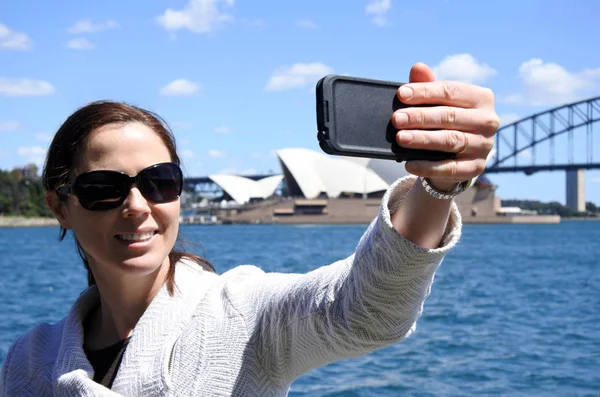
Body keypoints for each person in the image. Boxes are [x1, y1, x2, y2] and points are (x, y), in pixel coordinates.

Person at [0, 63, 499, 396]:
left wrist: (437, 186)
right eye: (104, 188)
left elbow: (364, 310)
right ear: (60, 207)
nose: (137, 206)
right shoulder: (29, 360)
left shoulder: (240, 312)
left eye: (159, 182)